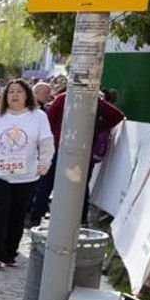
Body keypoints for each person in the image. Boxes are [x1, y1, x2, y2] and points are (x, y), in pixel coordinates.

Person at [0, 79, 53, 269]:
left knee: (17, 214)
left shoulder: (38, 116)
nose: (14, 95)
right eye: (11, 91)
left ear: (27, 95)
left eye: (19, 91)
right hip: (0, 173)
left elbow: (46, 141)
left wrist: (45, 162)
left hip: (26, 173)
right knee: (0, 212)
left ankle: (10, 252)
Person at [31, 87, 126, 227]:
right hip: (63, 147)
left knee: (76, 185)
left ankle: (78, 219)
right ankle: (37, 216)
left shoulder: (93, 100)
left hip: (80, 149)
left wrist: (96, 128)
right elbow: (49, 121)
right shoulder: (64, 98)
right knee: (49, 183)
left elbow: (116, 116)